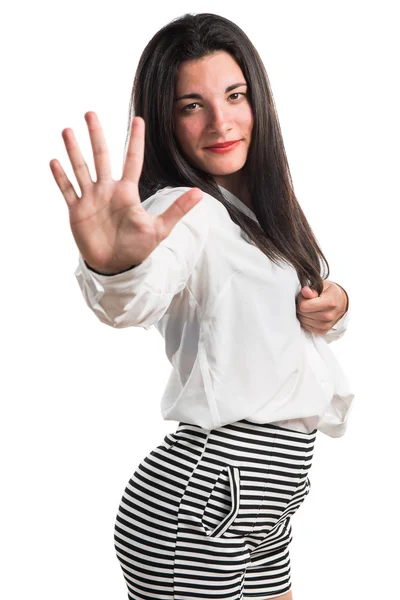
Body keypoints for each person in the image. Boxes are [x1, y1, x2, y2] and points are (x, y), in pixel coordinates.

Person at [49, 12, 354, 600]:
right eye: (192, 105)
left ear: (256, 99)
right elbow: (136, 296)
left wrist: (336, 303)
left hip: (265, 503)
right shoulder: (187, 210)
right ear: (165, 121)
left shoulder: (261, 213)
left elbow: (285, 323)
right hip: (207, 504)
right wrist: (115, 266)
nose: (221, 121)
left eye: (234, 95)